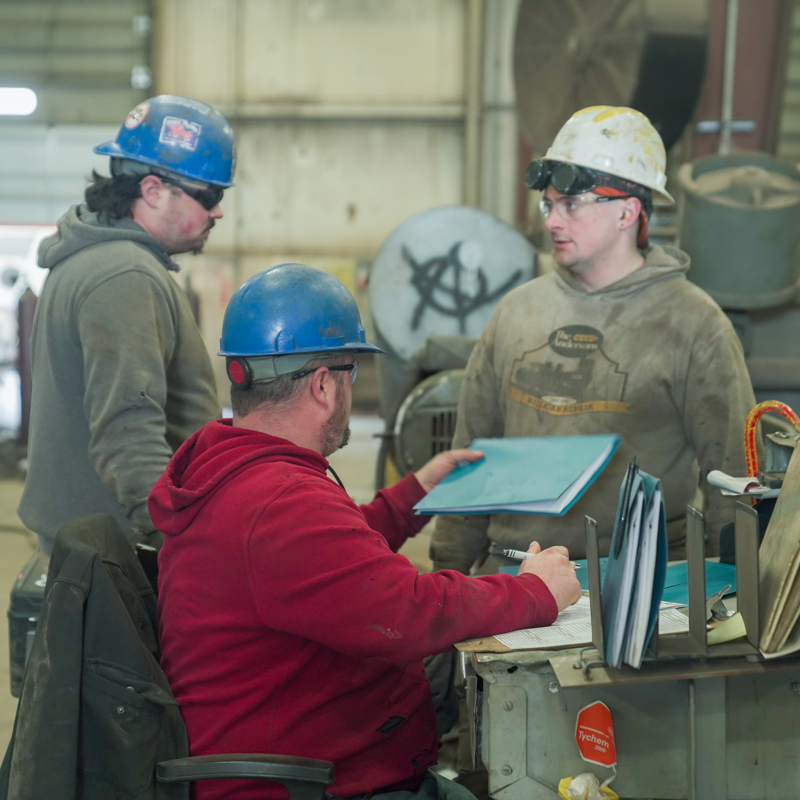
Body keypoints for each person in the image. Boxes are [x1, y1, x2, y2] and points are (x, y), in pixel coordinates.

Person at [149, 263, 582, 800]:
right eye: (351, 374)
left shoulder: (236, 468)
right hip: (307, 785)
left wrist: (413, 495)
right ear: (324, 384)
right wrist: (535, 591)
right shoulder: (279, 503)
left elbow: (324, 564)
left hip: (305, 755)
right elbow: (406, 611)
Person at [431, 105, 756, 574]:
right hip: (512, 576)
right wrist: (449, 577)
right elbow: (470, 459)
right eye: (548, 204)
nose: (551, 222)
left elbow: (732, 481)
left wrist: (733, 595)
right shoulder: (517, 312)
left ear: (628, 211)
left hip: (640, 587)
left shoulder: (694, 325)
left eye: (571, 205)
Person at [18, 94, 234, 555]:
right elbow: (128, 431)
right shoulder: (125, 276)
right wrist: (180, 544)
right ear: (153, 191)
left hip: (92, 541)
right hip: (121, 553)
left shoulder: (93, 258)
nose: (217, 212)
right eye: (209, 196)